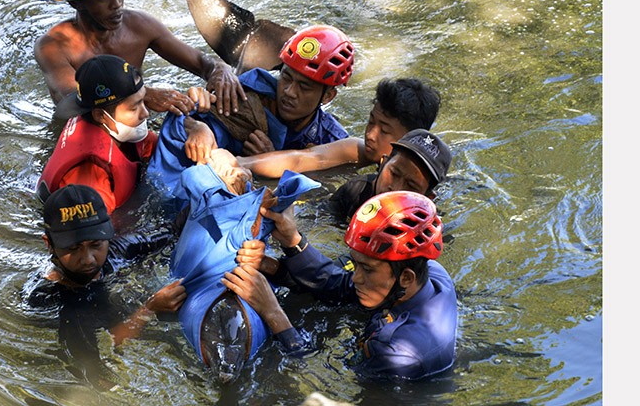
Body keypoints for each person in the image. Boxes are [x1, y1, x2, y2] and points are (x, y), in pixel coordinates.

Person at [221, 190, 458, 381]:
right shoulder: (430, 273)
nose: (356, 277)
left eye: (368, 269)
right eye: (356, 264)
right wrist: (288, 247)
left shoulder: (397, 355)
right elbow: (340, 285)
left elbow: (318, 379)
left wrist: (272, 312)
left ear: (406, 278)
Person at [33, 0, 246, 115]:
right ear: (76, 3)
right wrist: (146, 94)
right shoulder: (52, 46)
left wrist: (221, 68)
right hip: (85, 124)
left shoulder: (141, 26)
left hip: (133, 114)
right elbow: (74, 102)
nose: (116, 4)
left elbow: (202, 64)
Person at [168, 148, 319, 383]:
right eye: (224, 167)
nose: (235, 170)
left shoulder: (260, 214)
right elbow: (194, 175)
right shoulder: (204, 205)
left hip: (233, 310)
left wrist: (269, 265)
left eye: (238, 165)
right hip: (222, 310)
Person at [147, 24, 356, 193]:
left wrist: (272, 164)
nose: (289, 92)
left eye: (304, 87)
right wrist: (194, 125)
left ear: (328, 96)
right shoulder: (247, 95)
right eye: (286, 78)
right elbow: (186, 117)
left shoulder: (332, 141)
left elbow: (322, 197)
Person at [24, 184, 186, 384]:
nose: (88, 259)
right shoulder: (51, 299)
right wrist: (148, 310)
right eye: (73, 249)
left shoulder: (119, 251)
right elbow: (98, 359)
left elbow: (175, 229)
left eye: (96, 245)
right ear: (49, 244)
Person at [37, 54, 211, 212]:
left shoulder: (123, 131)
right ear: (101, 116)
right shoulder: (90, 174)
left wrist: (195, 126)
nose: (146, 113)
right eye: (134, 107)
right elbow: (99, 238)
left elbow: (165, 147)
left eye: (144, 101)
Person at [236, 77, 441, 179]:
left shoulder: (422, 175)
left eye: (384, 130)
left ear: (410, 138)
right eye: (371, 121)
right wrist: (239, 163)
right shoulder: (358, 150)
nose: (370, 134)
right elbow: (303, 158)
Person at [327, 128, 452, 220]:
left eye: (411, 186)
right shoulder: (355, 192)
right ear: (382, 163)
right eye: (394, 174)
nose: (395, 189)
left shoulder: (428, 225)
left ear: (427, 199)